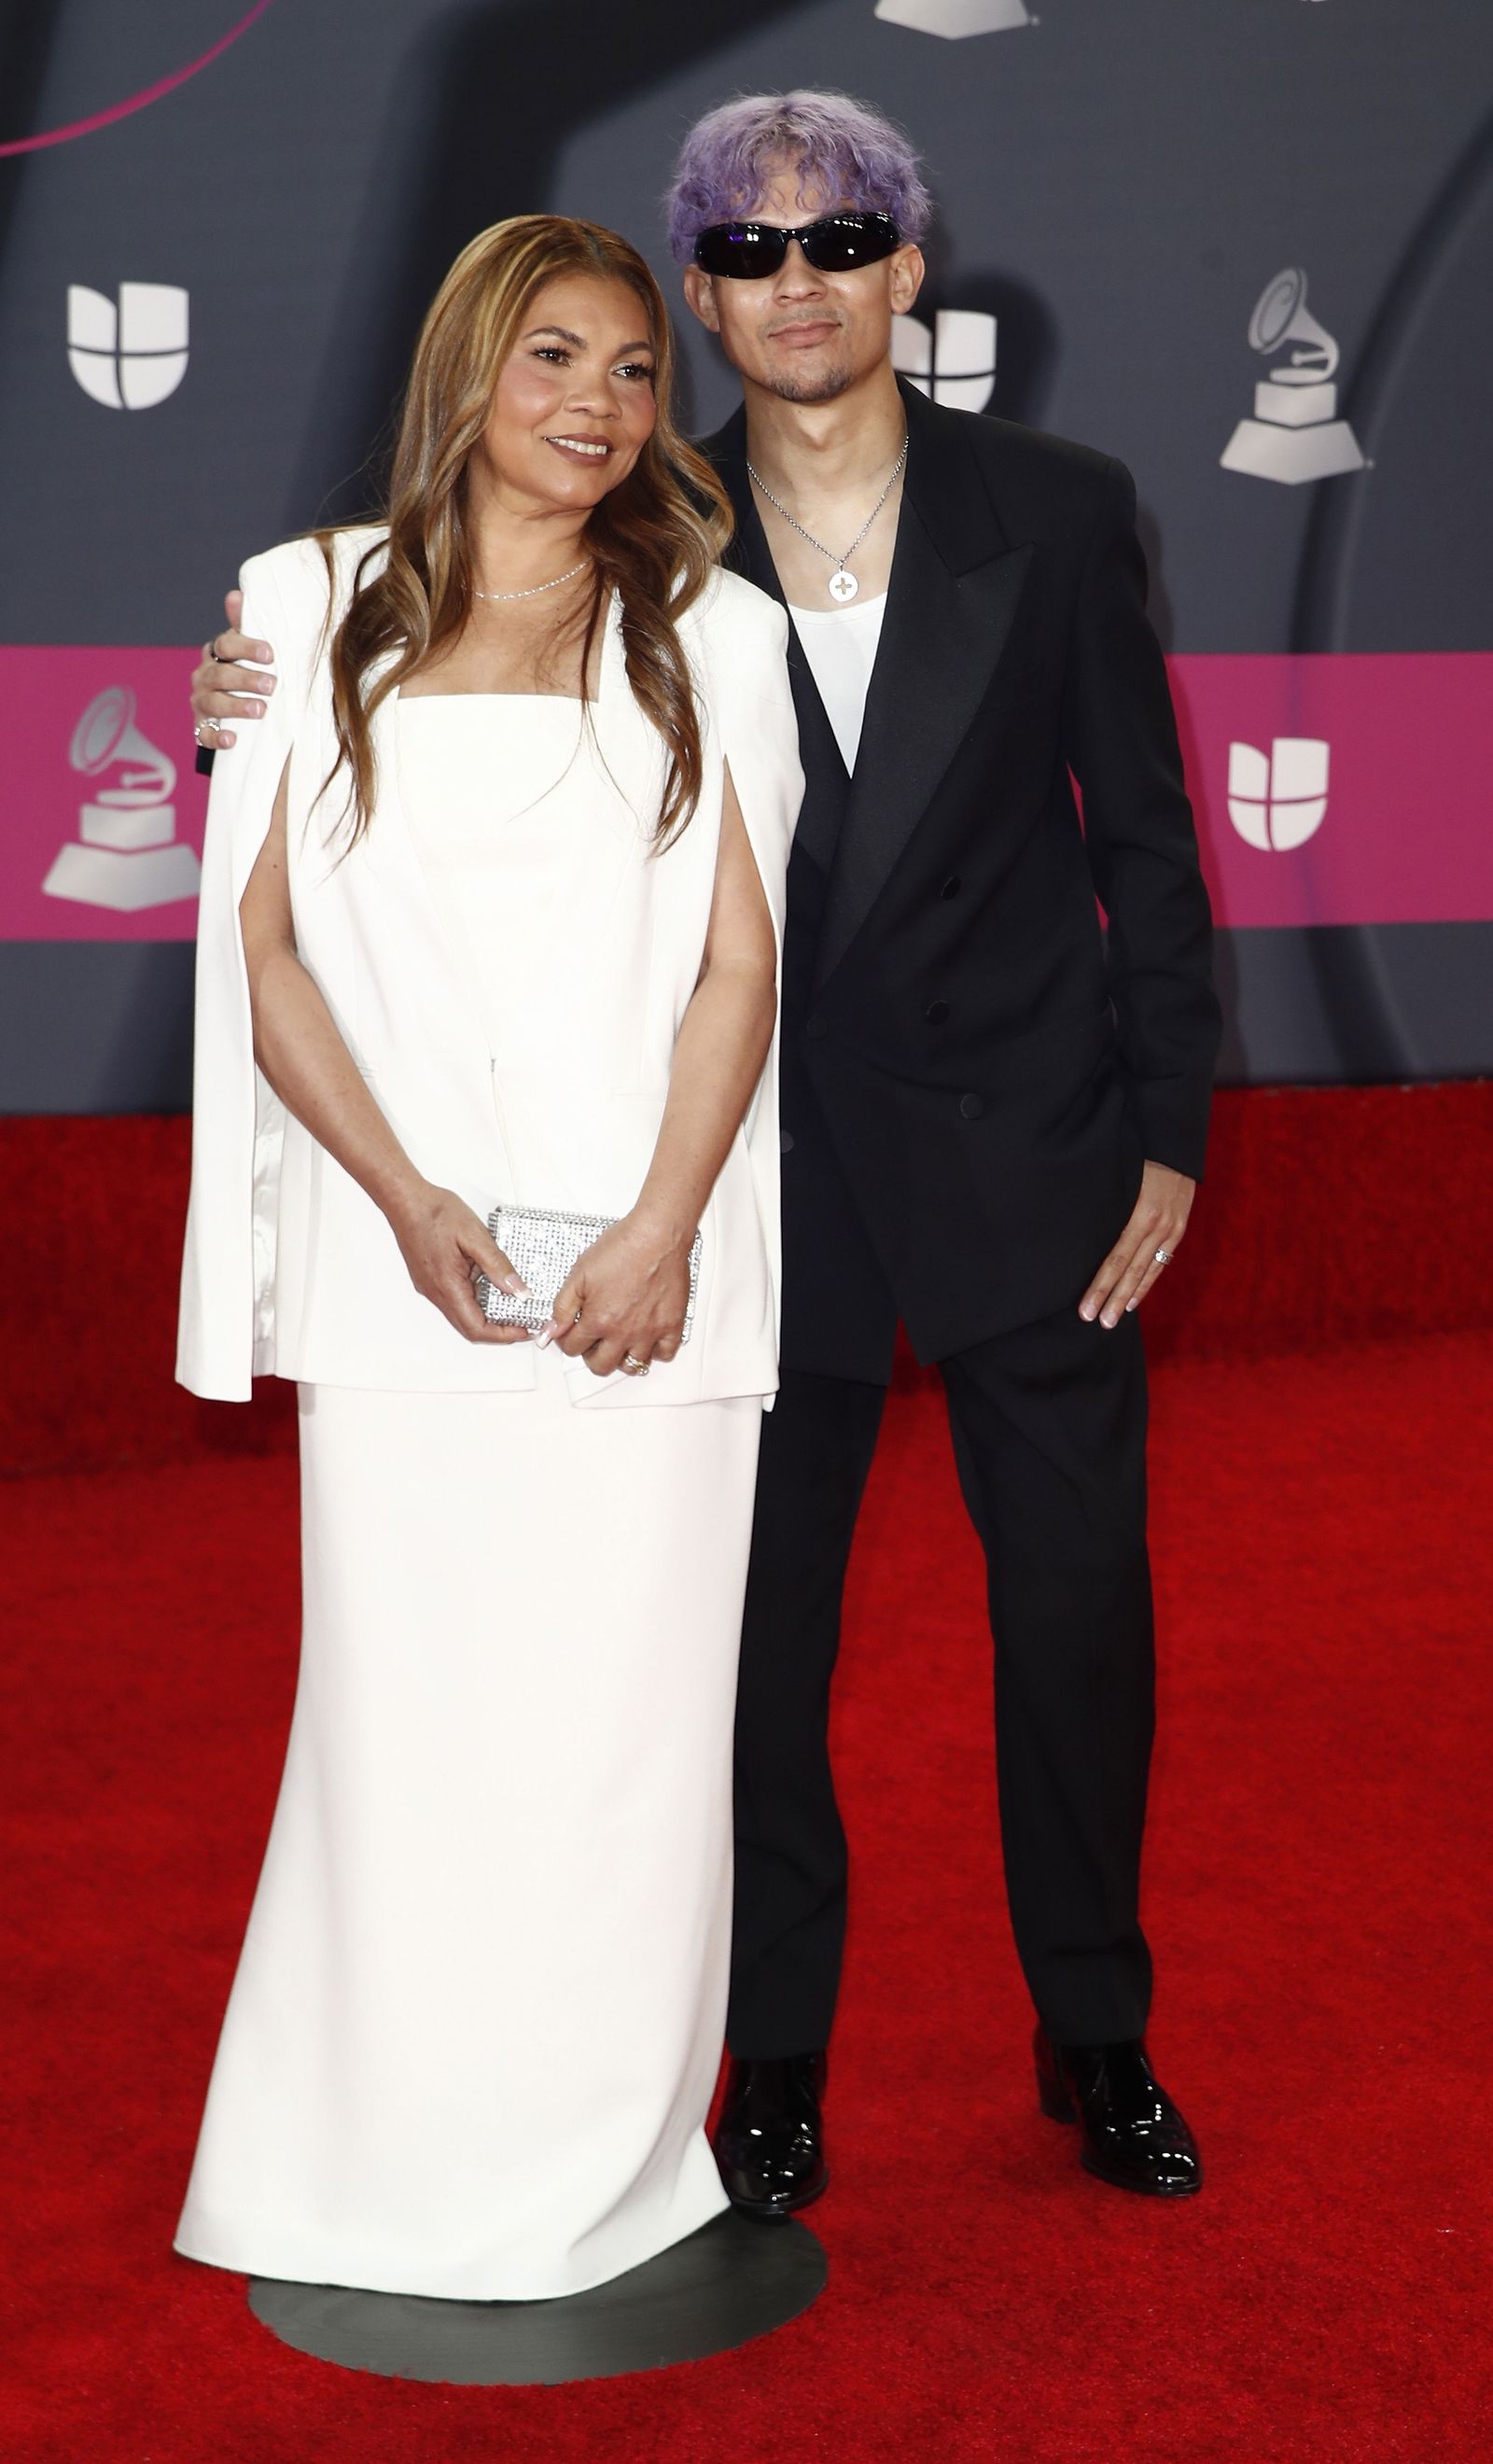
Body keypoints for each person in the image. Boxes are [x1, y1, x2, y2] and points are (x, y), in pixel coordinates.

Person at [193, 90, 1221, 2218]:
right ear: (700, 298)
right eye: (743, 256)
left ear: (904, 269)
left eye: (836, 238)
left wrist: (1170, 1128)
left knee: (1077, 1631)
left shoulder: (1061, 503)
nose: (794, 281)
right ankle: (770, 2068)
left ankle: (1095, 2036)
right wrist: (242, 692)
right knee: (754, 1660)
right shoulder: (641, 536)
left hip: (1033, 1155)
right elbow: (392, 634)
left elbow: (1141, 832)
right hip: (763, 1183)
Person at [174, 212, 802, 2300]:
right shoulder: (298, 605)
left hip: (648, 1292)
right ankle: (351, 2165)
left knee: (622, 1743)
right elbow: (258, 954)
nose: (598, 409)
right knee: (405, 1726)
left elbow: (738, 965)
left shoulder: (713, 629)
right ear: (468, 365)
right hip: (401, 1280)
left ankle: (602, 2174)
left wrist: (657, 1231)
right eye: (553, 358)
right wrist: (406, 1202)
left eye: (633, 372)